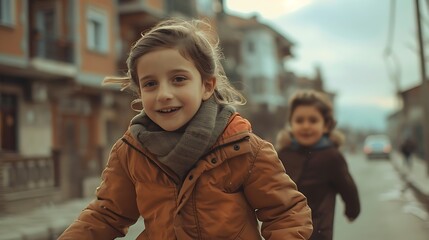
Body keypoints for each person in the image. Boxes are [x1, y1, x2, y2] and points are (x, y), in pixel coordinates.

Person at [59, 18, 313, 239]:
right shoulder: (130, 152)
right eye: (150, 84)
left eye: (178, 79)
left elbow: (286, 213)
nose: (164, 94)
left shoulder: (245, 148)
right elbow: (106, 215)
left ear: (206, 86)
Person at [275, 90, 360, 240]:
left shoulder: (331, 156)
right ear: (291, 124)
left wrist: (352, 210)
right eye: (299, 121)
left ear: (326, 125)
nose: (306, 126)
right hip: (284, 230)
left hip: (318, 231)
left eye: (313, 120)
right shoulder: (283, 154)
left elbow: (347, 186)